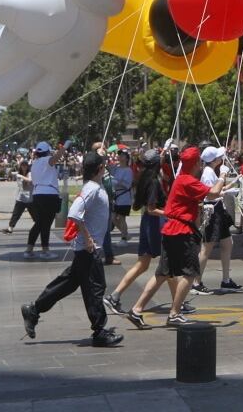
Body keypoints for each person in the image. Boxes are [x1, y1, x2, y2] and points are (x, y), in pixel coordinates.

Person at [21, 152, 122, 346]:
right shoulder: (92, 189)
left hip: (85, 248)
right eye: (105, 166)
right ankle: (99, 332)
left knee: (66, 284)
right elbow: (75, 213)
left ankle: (33, 309)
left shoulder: (93, 187)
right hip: (89, 249)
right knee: (95, 288)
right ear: (100, 169)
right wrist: (88, 238)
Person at [127, 145, 210, 329]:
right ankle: (175, 313)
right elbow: (212, 192)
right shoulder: (166, 181)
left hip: (167, 228)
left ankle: (137, 309)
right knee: (189, 272)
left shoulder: (173, 178)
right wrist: (222, 178)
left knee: (162, 273)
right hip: (177, 229)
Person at [107, 149, 167, 315]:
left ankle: (115, 295)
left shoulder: (143, 179)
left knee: (143, 264)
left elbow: (136, 205)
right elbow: (151, 208)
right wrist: (170, 213)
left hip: (146, 223)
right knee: (168, 265)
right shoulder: (154, 181)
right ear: (156, 164)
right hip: (155, 224)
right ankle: (178, 304)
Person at [194, 147, 243, 290]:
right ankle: (196, 282)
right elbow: (211, 194)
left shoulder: (210, 171)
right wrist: (223, 175)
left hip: (218, 211)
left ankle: (226, 280)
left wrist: (231, 185)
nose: (222, 158)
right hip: (212, 212)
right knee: (206, 248)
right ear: (214, 160)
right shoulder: (208, 173)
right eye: (219, 157)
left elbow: (216, 190)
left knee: (227, 243)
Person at [21, 142, 63, 254]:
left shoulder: (34, 163)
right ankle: (45, 249)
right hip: (50, 195)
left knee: (39, 223)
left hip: (37, 194)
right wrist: (65, 147)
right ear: (47, 151)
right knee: (46, 224)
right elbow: (56, 158)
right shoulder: (47, 160)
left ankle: (29, 248)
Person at [3, 155, 34, 235]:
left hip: (30, 199)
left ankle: (40, 228)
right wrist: (12, 167)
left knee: (35, 215)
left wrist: (21, 176)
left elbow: (30, 180)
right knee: (16, 214)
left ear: (27, 166)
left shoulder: (30, 173)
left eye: (25, 165)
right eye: (22, 165)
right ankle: (10, 228)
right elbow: (8, 173)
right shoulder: (18, 173)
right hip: (20, 198)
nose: (24, 167)